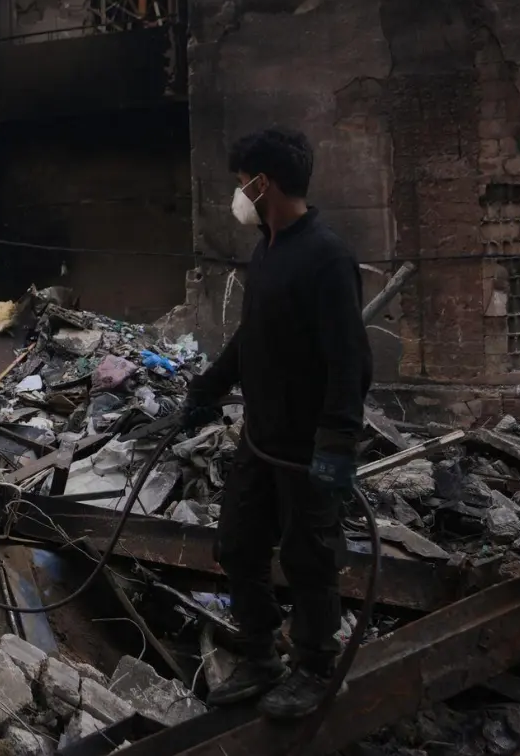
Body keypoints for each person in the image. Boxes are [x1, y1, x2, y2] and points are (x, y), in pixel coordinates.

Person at [180, 128, 372, 720]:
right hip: (260, 440)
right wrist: (210, 386)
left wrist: (337, 442)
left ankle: (315, 667)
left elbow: (350, 359)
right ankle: (261, 651)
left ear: (264, 183)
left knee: (308, 555)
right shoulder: (266, 251)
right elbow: (251, 337)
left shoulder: (327, 257)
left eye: (242, 183)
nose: (238, 194)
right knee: (238, 543)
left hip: (306, 448)